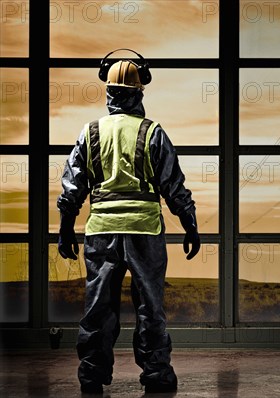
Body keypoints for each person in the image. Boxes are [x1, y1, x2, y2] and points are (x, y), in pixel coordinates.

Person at [56, 49, 201, 394]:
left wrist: (65, 229)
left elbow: (72, 187)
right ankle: (157, 374)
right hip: (144, 233)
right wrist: (190, 223)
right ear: (140, 92)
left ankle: (91, 375)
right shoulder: (153, 133)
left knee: (97, 307)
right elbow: (173, 185)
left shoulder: (90, 132)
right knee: (150, 306)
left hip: (101, 233)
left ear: (108, 91)